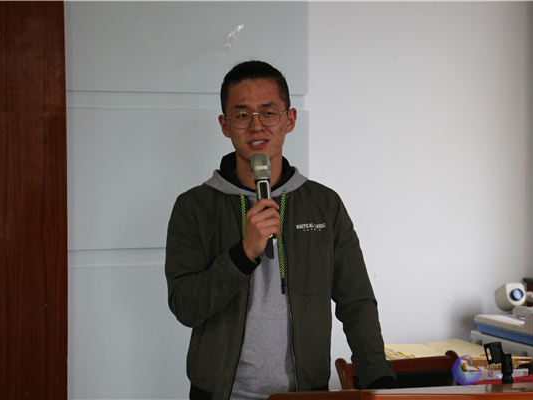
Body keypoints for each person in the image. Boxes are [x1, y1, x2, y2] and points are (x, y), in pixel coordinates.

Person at [165, 60, 396, 400]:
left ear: (289, 119)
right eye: (242, 115)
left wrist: (378, 378)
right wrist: (243, 253)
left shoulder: (324, 204)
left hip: (305, 393)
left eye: (268, 112)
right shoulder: (194, 207)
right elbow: (185, 307)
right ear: (225, 125)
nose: (256, 126)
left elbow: (356, 300)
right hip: (219, 392)